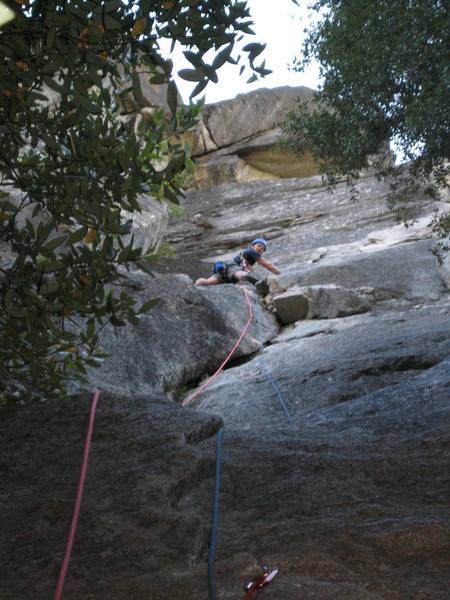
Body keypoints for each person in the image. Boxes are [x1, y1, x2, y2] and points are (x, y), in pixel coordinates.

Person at [195, 238, 280, 286]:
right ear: (252, 246)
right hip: (232, 268)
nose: (260, 249)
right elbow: (268, 265)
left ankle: (195, 286)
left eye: (262, 249)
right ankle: (250, 280)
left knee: (207, 282)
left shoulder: (247, 255)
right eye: (259, 246)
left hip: (224, 271)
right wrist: (280, 274)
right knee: (243, 275)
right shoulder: (251, 252)